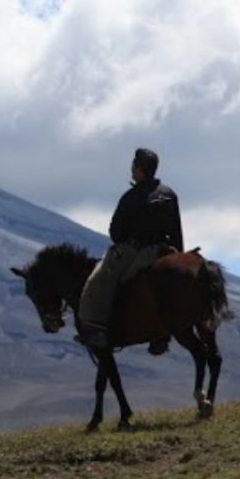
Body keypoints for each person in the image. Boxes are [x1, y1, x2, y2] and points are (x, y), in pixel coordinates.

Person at [75, 148, 184, 352]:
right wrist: (178, 252)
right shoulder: (169, 195)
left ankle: (95, 328)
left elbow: (115, 231)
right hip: (165, 248)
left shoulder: (132, 197)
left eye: (133, 166)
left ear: (140, 169)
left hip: (136, 250)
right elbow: (177, 229)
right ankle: (163, 336)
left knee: (99, 280)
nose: (132, 170)